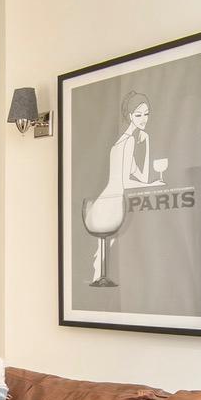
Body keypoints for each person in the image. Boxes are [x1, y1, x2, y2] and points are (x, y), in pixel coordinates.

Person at [81, 91, 166, 287]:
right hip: (110, 201)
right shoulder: (126, 143)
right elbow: (125, 183)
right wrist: (151, 186)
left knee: (102, 252)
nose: (143, 119)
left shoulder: (130, 141)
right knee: (103, 251)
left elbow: (142, 176)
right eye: (138, 115)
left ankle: (100, 279)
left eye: (146, 114)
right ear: (129, 116)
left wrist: (148, 143)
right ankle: (100, 280)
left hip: (111, 199)